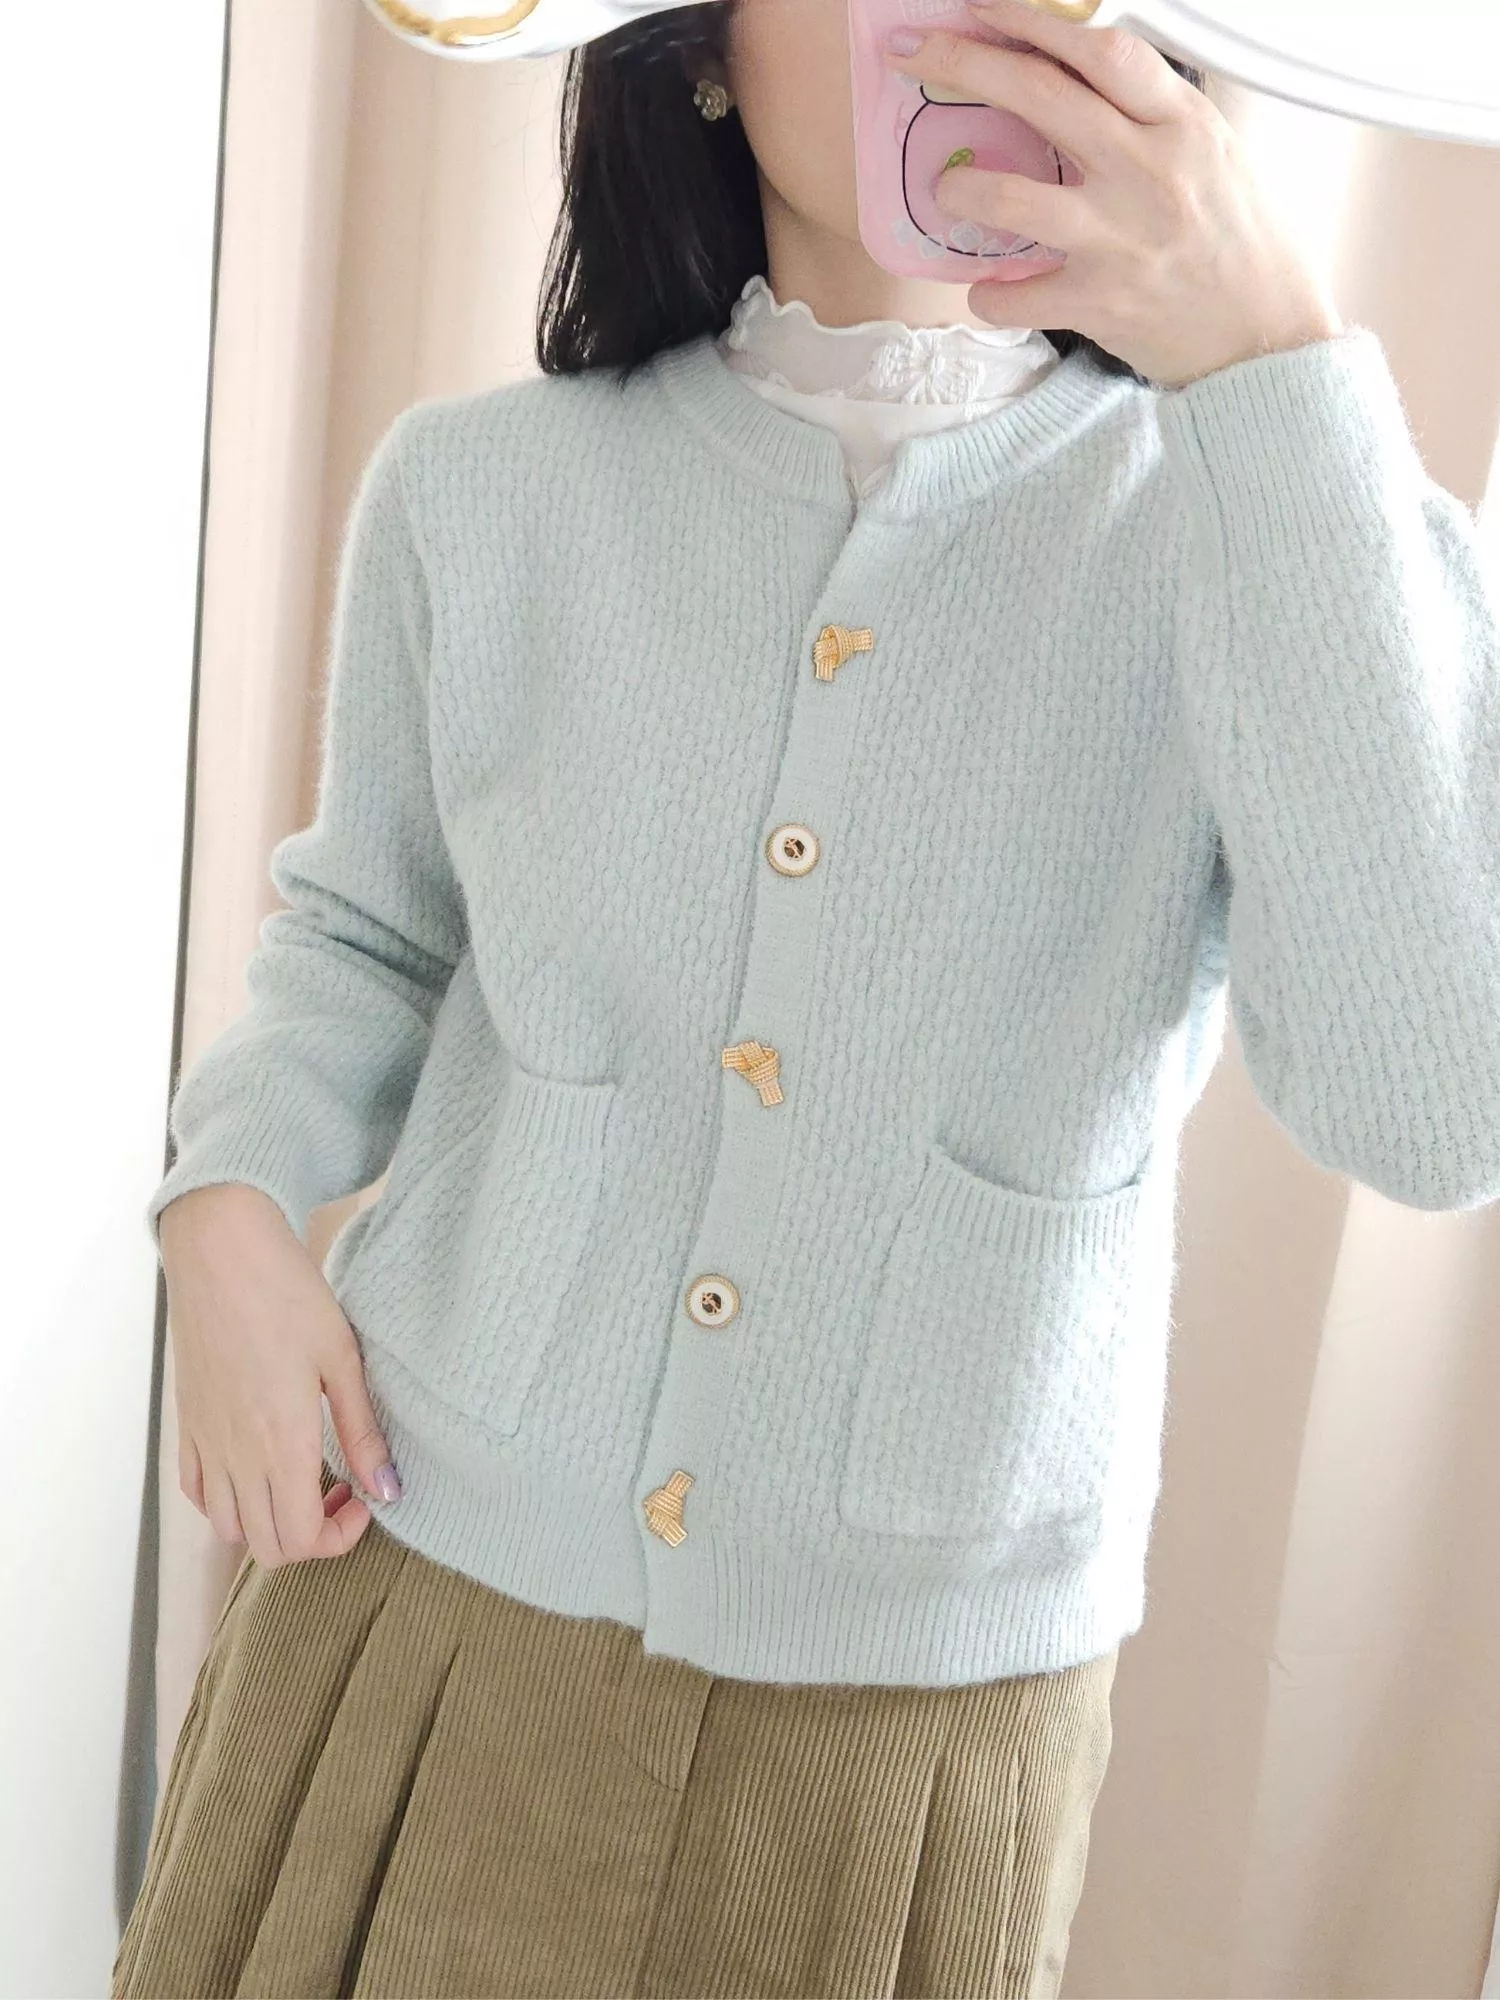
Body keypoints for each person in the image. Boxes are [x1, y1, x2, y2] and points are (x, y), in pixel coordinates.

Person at [114, 0, 1500, 1993]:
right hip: (425, 1602)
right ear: (700, 43)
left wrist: (1273, 358)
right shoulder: (486, 491)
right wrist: (226, 1209)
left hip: (907, 1733)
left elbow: (1436, 1107)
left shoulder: (1274, 528)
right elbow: (366, 941)